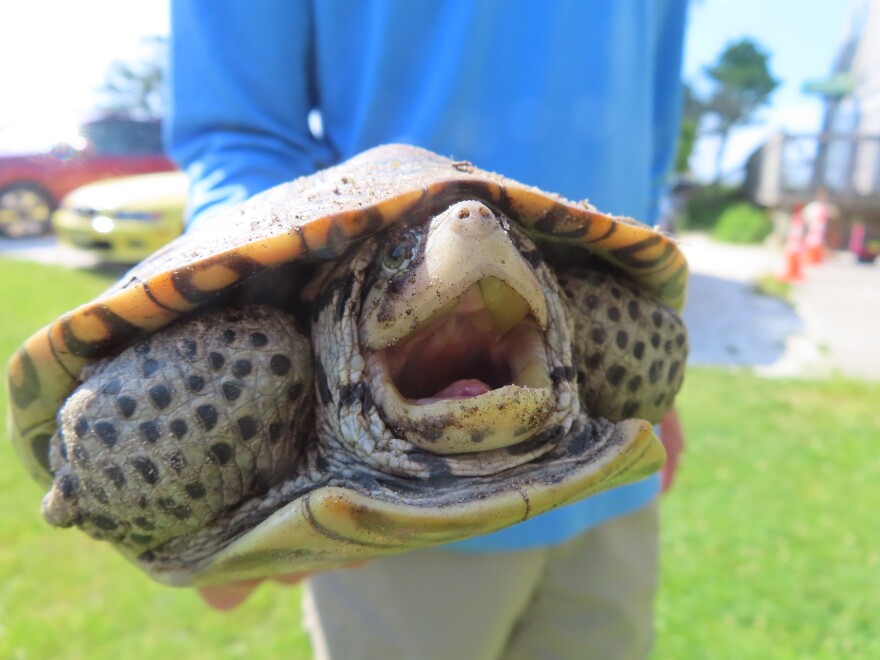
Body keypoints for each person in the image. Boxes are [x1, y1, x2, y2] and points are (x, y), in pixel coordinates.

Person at [168, 2, 689, 657]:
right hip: (382, 525)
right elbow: (238, 128)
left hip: (607, 468)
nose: (473, 236)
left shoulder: (609, 345)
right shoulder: (277, 368)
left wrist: (649, 352)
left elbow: (653, 128)